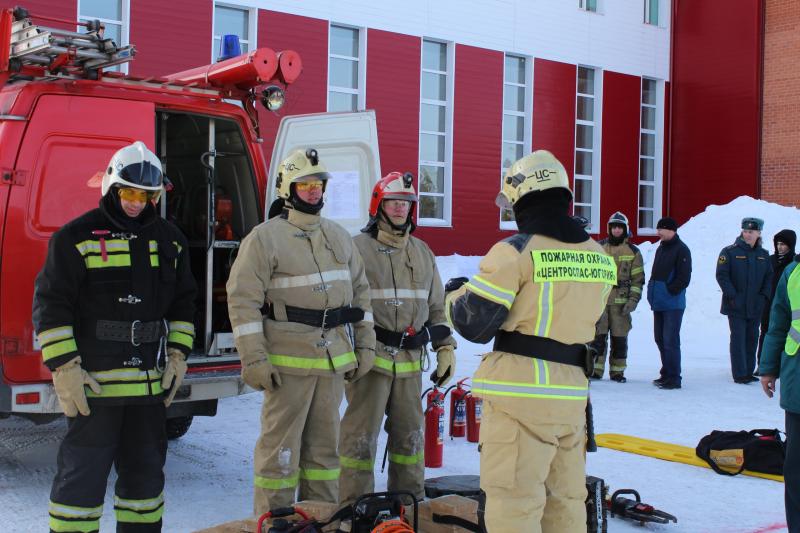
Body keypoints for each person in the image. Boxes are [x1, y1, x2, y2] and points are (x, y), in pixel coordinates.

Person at [445, 150, 616, 532]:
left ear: (524, 197)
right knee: (566, 501)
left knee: (514, 503)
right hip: (571, 398)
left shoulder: (515, 251)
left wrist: (454, 295)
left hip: (519, 398)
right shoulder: (598, 255)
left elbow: (474, 324)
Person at [33, 141, 197, 533]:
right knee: (81, 482)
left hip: (147, 391)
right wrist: (65, 368)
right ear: (111, 186)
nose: (136, 203)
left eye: (145, 194)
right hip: (94, 388)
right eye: (129, 192)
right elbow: (51, 304)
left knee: (144, 482)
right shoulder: (76, 237)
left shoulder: (170, 240)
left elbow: (184, 303)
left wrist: (177, 355)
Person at [226, 148, 375, 514]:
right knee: (281, 454)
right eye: (305, 184)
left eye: (318, 184)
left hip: (332, 362)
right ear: (287, 189)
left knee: (326, 453)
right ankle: (273, 522)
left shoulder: (340, 237)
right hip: (286, 366)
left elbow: (361, 294)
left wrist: (366, 348)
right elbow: (242, 301)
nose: (313, 191)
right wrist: (254, 359)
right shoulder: (264, 239)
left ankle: (319, 520)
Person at [338, 172, 457, 505]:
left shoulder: (422, 252)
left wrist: (445, 347)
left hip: (409, 364)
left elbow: (436, 306)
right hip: (369, 361)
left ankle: (409, 508)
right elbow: (340, 304)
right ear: (379, 205)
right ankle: (354, 510)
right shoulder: (356, 249)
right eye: (394, 202)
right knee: (359, 440)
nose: (401, 209)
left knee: (410, 442)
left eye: (407, 203)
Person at [759, 253, 800, 530]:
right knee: (796, 470)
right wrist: (769, 367)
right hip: (798, 384)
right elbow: (778, 323)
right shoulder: (793, 273)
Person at [590, 211, 645, 383]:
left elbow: (638, 280)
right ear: (609, 228)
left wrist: (633, 301)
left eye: (619, 228)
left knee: (619, 339)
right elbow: (590, 276)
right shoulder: (599, 248)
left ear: (625, 229)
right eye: (613, 227)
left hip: (621, 305)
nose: (616, 230)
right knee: (597, 338)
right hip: (600, 302)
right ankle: (595, 370)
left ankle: (617, 372)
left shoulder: (634, 252)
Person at [716, 217, 772, 384]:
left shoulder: (763, 255)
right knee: (738, 338)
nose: (747, 234)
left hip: (755, 305)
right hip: (736, 304)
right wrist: (732, 295)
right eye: (745, 231)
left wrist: (763, 297)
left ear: (758, 233)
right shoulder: (729, 252)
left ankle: (748, 371)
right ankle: (740, 374)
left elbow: (769, 278)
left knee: (752, 337)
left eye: (751, 232)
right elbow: (722, 275)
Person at [647, 217, 692, 390]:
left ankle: (674, 377)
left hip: (673, 304)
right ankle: (666, 372)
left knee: (670, 340)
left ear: (672, 230)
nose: (658, 232)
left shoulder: (682, 250)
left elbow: (684, 277)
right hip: (659, 302)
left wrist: (669, 290)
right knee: (659, 338)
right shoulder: (661, 248)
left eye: (661, 229)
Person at [757, 229, 796, 366]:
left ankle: (781, 363)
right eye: (778, 244)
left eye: (784, 244)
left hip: (786, 305)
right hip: (768, 303)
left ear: (791, 245)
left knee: (785, 334)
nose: (780, 247)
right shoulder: (769, 260)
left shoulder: (794, 263)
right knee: (766, 332)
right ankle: (762, 363)